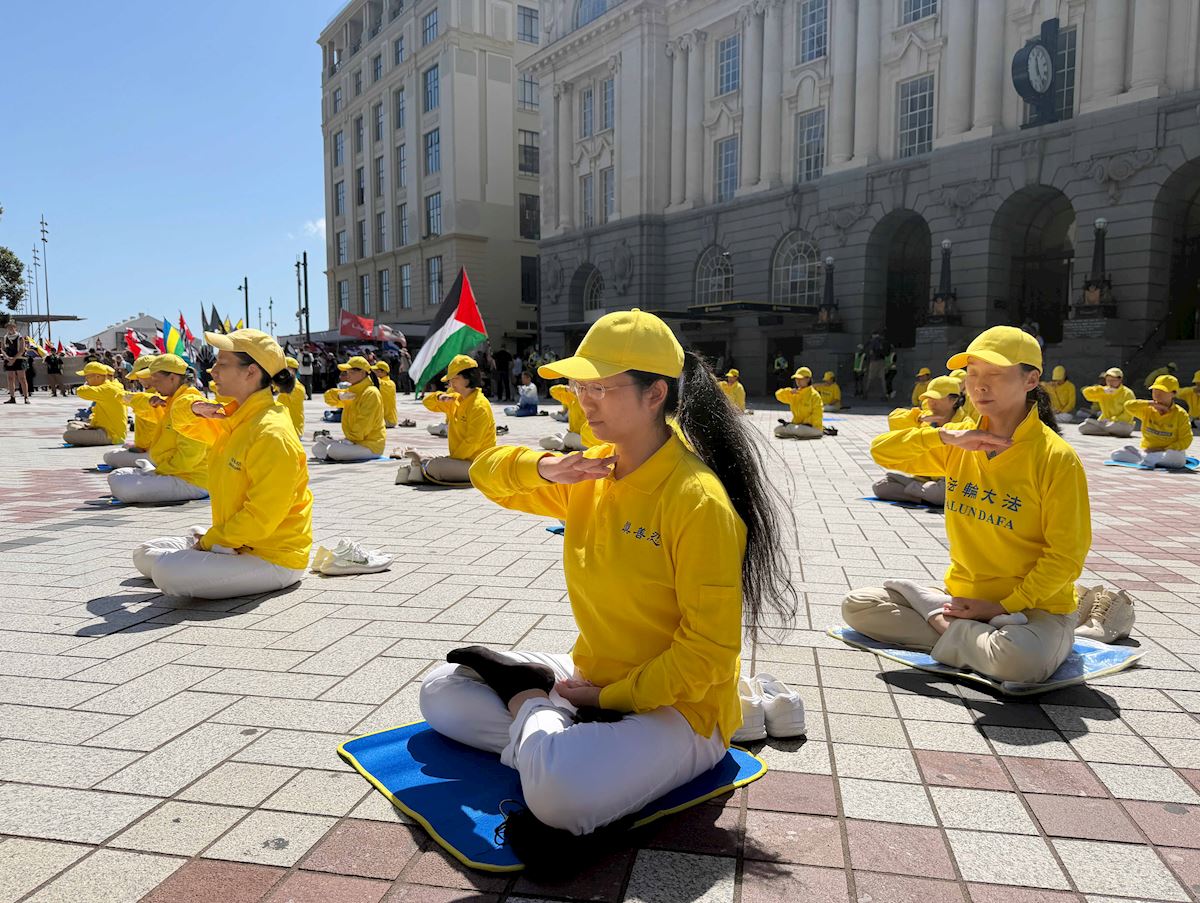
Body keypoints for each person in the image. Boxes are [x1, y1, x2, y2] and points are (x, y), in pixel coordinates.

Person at [418, 308, 795, 842]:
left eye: (600, 387)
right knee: (441, 691)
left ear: (655, 393)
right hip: (589, 678)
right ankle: (550, 735)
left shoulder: (695, 500)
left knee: (561, 794)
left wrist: (604, 700)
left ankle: (532, 707)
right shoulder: (593, 468)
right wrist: (544, 467)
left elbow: (708, 654)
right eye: (580, 386)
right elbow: (485, 474)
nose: (583, 400)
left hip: (679, 710)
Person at [843, 325, 1090, 683]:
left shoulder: (1056, 458)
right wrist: (944, 435)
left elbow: (1066, 556)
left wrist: (1002, 607)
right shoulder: (963, 442)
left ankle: (939, 621)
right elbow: (882, 451)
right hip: (963, 598)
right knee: (858, 606)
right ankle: (963, 631)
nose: (979, 385)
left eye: (995, 374)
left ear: (1031, 379)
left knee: (1020, 663)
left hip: (1034, 609)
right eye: (972, 374)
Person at [133, 329, 312, 599]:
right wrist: (194, 407)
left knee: (165, 571)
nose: (212, 371)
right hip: (235, 543)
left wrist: (208, 543)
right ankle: (208, 545)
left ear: (251, 372)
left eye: (222, 364)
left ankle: (206, 545)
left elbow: (262, 517)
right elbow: (182, 420)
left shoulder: (270, 432)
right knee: (143, 554)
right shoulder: (233, 416)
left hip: (273, 557)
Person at [107, 354, 210, 504]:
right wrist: (149, 401)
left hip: (191, 480)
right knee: (117, 474)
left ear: (172, 378)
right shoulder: (171, 402)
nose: (154, 385)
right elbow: (140, 405)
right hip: (170, 471)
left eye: (156, 380)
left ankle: (148, 473)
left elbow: (189, 458)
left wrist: (157, 472)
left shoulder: (189, 404)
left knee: (123, 485)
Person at [873, 376, 970, 507]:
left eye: (936, 398)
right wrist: (919, 418)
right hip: (923, 477)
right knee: (881, 487)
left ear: (953, 400)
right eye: (929, 399)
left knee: (939, 492)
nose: (931, 403)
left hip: (949, 480)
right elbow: (895, 419)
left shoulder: (965, 424)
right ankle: (924, 494)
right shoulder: (924, 418)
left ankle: (922, 494)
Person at [397, 354, 496, 484]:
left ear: (468, 378)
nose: (451, 383)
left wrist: (451, 459)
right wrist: (439, 397)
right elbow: (427, 402)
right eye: (449, 380)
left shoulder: (479, 406)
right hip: (460, 460)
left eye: (454, 379)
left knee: (435, 466)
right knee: (436, 462)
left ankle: (422, 465)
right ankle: (423, 465)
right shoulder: (456, 399)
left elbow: (472, 442)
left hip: (478, 463)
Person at [1111, 375, 1193, 468]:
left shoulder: (1181, 414)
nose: (1157, 395)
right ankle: (1148, 459)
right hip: (1147, 451)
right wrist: (1150, 403)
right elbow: (1128, 406)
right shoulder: (1148, 409)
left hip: (1168, 452)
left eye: (1162, 392)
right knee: (1116, 454)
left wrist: (1164, 449)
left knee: (1176, 459)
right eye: (1155, 391)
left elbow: (1186, 440)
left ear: (1173, 393)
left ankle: (1147, 460)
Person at [318, 355, 386, 461]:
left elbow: (364, 422)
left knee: (332, 449)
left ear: (363, 372)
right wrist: (339, 396)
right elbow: (328, 398)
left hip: (370, 445)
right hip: (353, 442)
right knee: (317, 447)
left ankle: (333, 452)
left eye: (352, 372)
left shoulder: (371, 393)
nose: (348, 375)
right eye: (347, 372)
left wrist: (350, 440)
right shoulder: (353, 390)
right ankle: (334, 451)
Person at [104, 357, 158, 468]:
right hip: (154, 449)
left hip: (159, 453)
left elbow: (120, 396)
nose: (138, 380)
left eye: (140, 377)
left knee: (109, 456)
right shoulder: (154, 394)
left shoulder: (156, 398)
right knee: (124, 447)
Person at [63, 362, 127, 447]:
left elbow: (81, 391)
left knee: (67, 435)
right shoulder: (107, 387)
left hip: (110, 434)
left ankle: (88, 436)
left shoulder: (107, 389)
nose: (86, 380)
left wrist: (86, 385)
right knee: (71, 425)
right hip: (102, 428)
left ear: (97, 376)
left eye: (87, 377)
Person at [541, 383, 599, 452]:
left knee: (569, 438)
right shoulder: (571, 397)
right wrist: (565, 389)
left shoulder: (588, 399)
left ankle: (564, 445)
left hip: (588, 438)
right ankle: (565, 444)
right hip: (575, 435)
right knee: (543, 442)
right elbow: (552, 391)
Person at [1079, 368, 1136, 437]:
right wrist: (1101, 390)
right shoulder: (1104, 391)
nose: (1110, 383)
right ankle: (1108, 431)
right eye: (1108, 380)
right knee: (1082, 428)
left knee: (1119, 427)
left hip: (1122, 424)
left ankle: (1103, 429)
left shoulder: (1127, 393)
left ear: (1120, 380)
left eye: (1113, 380)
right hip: (1105, 422)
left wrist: (1113, 420)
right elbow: (1086, 393)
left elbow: (1129, 413)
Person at [774, 367, 823, 440]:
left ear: (808, 379)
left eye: (800, 379)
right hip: (797, 426)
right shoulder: (795, 393)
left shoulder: (814, 395)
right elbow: (778, 395)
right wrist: (789, 392)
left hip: (813, 427)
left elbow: (817, 415)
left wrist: (802, 423)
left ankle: (794, 432)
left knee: (798, 429)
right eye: (796, 379)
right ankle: (794, 432)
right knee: (777, 430)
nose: (798, 381)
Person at [280, 356, 308, 437]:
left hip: (293, 431)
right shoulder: (286, 384)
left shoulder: (297, 387)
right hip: (285, 429)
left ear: (292, 370)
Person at [3, 323, 30, 404]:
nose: (10, 329)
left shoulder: (20, 337)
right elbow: (3, 349)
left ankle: (26, 397)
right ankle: (12, 397)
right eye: (8, 327)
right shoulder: (5, 337)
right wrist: (8, 358)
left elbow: (22, 350)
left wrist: (13, 359)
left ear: (15, 328)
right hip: (9, 359)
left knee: (22, 378)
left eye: (12, 327)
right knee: (10, 378)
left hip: (19, 359)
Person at [864, 331, 889, 400]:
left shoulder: (873, 341)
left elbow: (870, 351)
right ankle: (885, 395)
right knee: (882, 379)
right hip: (882, 361)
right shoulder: (883, 341)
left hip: (874, 361)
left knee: (870, 378)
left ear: (873, 335)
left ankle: (865, 393)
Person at [374, 361, 398, 427]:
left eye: (377, 371)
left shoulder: (388, 384)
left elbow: (379, 382)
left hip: (387, 420)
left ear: (384, 372)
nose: (375, 373)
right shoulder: (389, 383)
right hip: (385, 420)